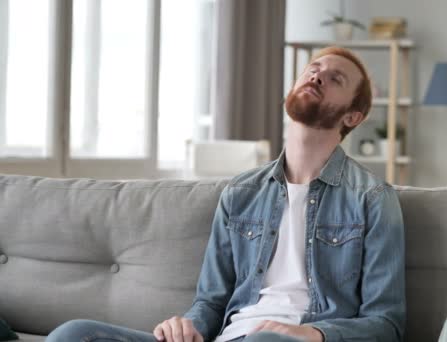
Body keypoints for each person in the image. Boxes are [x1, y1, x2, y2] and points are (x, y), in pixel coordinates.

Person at [46, 46, 406, 342]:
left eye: (335, 78)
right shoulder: (241, 193)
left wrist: (314, 333)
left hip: (295, 340)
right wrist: (187, 326)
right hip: (229, 338)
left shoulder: (372, 198)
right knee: (74, 334)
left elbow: (386, 323)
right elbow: (211, 302)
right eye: (314, 69)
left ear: (353, 117)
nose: (318, 76)